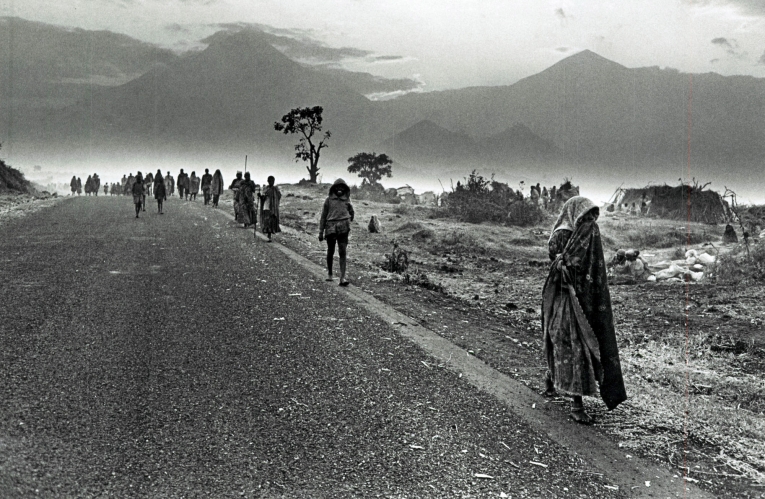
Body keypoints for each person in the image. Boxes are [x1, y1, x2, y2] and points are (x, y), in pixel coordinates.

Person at [542, 196, 627, 424]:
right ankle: (576, 405)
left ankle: (551, 383)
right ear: (575, 214)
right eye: (586, 216)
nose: (590, 221)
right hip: (565, 299)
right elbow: (565, 265)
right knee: (573, 344)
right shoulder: (565, 235)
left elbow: (590, 265)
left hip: (575, 297)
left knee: (562, 340)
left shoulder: (579, 233)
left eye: (592, 216)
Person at [318, 178, 354, 286]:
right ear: (334, 188)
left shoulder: (347, 200)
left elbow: (351, 212)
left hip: (343, 227)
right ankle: (330, 273)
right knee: (331, 251)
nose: (339, 189)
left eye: (342, 187)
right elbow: (323, 216)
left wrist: (348, 218)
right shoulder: (328, 200)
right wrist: (321, 231)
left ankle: (342, 277)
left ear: (345, 189)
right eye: (337, 187)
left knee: (342, 251)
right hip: (330, 227)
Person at [259, 175, 281, 242]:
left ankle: (270, 235)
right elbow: (263, 198)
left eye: (273, 181)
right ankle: (269, 235)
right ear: (268, 181)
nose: (272, 182)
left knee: (271, 221)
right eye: (270, 181)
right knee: (267, 221)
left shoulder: (275, 189)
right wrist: (260, 196)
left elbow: (279, 196)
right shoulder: (265, 189)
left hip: (273, 208)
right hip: (266, 207)